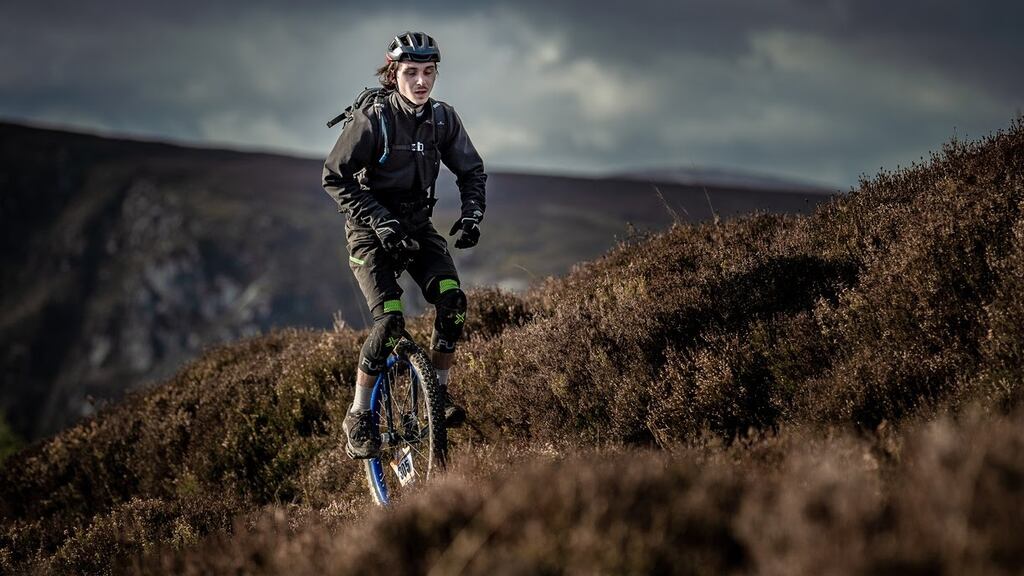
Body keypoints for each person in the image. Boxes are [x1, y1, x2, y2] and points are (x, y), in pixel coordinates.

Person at [322, 31, 487, 459]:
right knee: (390, 321)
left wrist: (472, 214)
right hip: (368, 231)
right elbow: (334, 177)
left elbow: (471, 170)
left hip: (415, 225)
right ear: (393, 73)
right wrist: (380, 220)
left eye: (428, 72)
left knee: (453, 301)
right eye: (411, 72)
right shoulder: (374, 118)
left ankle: (438, 394)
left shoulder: (443, 120)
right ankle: (359, 415)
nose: (420, 81)